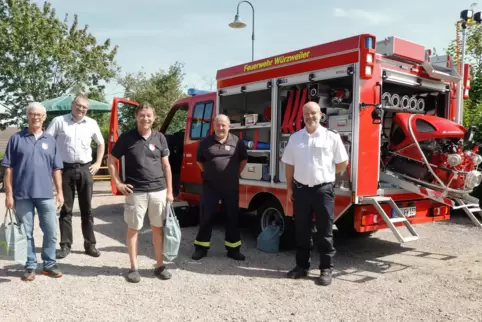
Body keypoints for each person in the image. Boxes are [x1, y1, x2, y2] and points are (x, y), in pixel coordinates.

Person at [281, 101, 349, 286]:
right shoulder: (295, 138)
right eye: (306, 114)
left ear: (321, 115)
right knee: (301, 230)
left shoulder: (331, 137)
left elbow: (342, 162)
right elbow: (289, 164)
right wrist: (289, 188)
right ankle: (302, 266)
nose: (309, 117)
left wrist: (327, 175)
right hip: (301, 190)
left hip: (323, 191)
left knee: (325, 231)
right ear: (302, 117)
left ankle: (326, 269)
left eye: (313, 113)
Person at [107, 102, 174, 283]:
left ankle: (159, 265)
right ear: (136, 116)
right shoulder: (127, 138)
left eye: (149, 115)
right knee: (134, 229)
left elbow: (166, 166)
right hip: (135, 192)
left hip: (158, 191)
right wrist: (118, 183)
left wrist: (170, 191)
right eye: (142, 115)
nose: (146, 118)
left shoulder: (160, 138)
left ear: (154, 117)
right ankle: (134, 268)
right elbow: (111, 160)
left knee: (157, 229)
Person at [2, 102, 64, 281]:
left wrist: (59, 192)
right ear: (27, 116)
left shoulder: (50, 141)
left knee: (51, 230)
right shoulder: (16, 139)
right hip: (22, 195)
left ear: (44, 117)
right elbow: (8, 168)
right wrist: (8, 194)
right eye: (32, 114)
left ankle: (49, 264)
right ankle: (29, 265)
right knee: (25, 233)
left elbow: (56, 169)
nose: (35, 117)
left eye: (39, 114)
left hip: (45, 194)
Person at [45, 94, 105, 259]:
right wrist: (51, 165)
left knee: (87, 209)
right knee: (66, 209)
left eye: (85, 107)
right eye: (79, 106)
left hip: (86, 169)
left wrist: (98, 162)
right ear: (72, 105)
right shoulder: (59, 121)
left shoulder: (92, 123)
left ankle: (90, 245)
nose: (81, 109)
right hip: (65, 169)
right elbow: (47, 142)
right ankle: (65, 245)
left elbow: (101, 143)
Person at [192, 114, 248, 261]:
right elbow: (199, 161)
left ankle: (233, 249)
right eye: (218, 125)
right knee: (206, 216)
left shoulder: (237, 142)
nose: (221, 128)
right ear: (214, 126)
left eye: (224, 125)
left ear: (229, 126)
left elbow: (243, 160)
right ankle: (201, 248)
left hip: (230, 187)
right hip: (210, 186)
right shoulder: (205, 142)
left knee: (232, 217)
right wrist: (210, 173)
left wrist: (234, 173)